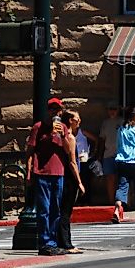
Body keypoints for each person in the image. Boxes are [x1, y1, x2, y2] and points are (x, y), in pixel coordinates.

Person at [27, 97, 70, 256]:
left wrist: (62, 135)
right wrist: (29, 172)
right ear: (48, 111)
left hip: (58, 172)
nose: (55, 112)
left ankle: (53, 242)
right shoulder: (38, 127)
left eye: (57, 109)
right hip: (42, 172)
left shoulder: (63, 128)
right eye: (52, 109)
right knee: (44, 209)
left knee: (55, 210)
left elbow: (67, 150)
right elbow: (30, 152)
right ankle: (44, 242)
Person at [112, 106, 135, 224]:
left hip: (122, 161)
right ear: (134, 116)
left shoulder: (120, 130)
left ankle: (117, 209)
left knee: (122, 186)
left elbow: (117, 145)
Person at [57, 109, 86, 255]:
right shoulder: (70, 138)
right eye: (77, 118)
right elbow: (72, 162)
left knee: (63, 211)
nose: (79, 121)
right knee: (65, 212)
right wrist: (79, 182)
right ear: (70, 120)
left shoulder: (65, 136)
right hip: (70, 178)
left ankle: (63, 241)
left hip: (64, 176)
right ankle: (66, 243)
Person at [98, 102, 123, 206]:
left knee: (122, 179)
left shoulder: (122, 122)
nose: (112, 112)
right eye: (110, 109)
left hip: (121, 155)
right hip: (108, 154)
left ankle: (121, 201)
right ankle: (111, 201)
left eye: (114, 109)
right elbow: (102, 139)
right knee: (110, 178)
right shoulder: (105, 123)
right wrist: (100, 154)